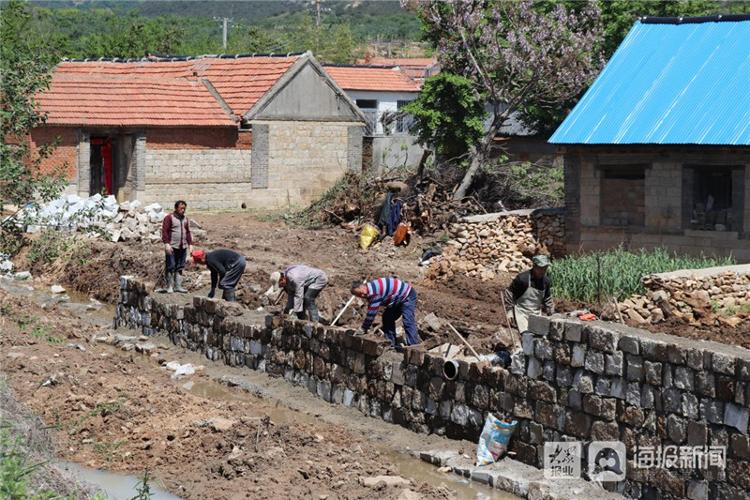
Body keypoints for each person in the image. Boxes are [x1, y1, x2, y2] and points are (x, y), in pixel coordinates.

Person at [351, 277, 419, 349]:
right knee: (387, 318)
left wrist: (363, 329)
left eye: (361, 293)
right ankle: (391, 343)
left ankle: (414, 347)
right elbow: (371, 308)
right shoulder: (369, 289)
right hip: (396, 299)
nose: (363, 296)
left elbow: (371, 314)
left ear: (363, 286)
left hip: (407, 295)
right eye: (359, 296)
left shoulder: (374, 292)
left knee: (408, 320)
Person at [504, 255, 554, 333]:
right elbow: (509, 294)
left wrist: (551, 313)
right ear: (534, 266)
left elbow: (548, 299)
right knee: (526, 335)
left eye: (545, 269)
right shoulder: (522, 279)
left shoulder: (546, 282)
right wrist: (509, 312)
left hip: (536, 313)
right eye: (540, 268)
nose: (543, 271)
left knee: (539, 336)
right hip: (521, 313)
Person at [161, 200, 193, 293]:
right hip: (172, 246)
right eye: (181, 208)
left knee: (180, 266)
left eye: (184, 209)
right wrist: (166, 244)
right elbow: (165, 231)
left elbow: (187, 232)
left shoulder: (185, 219)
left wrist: (190, 244)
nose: (183, 210)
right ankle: (169, 286)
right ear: (176, 208)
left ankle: (178, 286)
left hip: (182, 246)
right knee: (171, 266)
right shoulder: (169, 218)